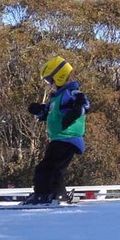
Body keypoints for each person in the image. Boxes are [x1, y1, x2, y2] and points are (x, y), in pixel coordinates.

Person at [23, 56, 90, 204]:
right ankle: (58, 195)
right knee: (55, 169)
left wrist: (75, 111)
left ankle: (43, 194)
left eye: (49, 80)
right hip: (60, 138)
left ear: (59, 77)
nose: (49, 84)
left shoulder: (71, 93)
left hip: (67, 137)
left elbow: (83, 103)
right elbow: (46, 113)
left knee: (45, 168)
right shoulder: (56, 98)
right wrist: (38, 110)